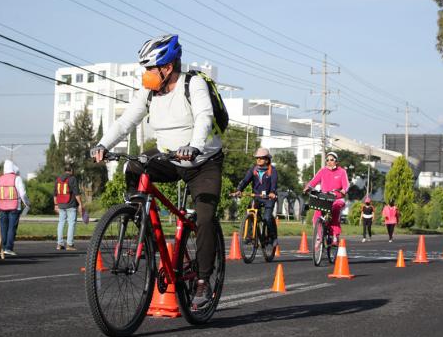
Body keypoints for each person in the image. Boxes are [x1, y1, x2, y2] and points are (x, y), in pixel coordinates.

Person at [91, 34, 223, 309]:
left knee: (205, 217)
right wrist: (103, 144)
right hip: (168, 157)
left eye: (152, 68)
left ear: (168, 66)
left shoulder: (193, 83)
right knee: (134, 166)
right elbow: (127, 120)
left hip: (203, 162)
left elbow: (204, 117)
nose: (147, 74)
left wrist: (194, 146)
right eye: (145, 68)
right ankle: (142, 226)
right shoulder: (149, 91)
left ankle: (202, 281)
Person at [233, 148, 278, 247]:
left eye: (261, 158)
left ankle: (272, 237)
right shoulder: (253, 169)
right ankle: (249, 236)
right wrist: (239, 190)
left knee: (267, 217)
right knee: (250, 213)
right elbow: (245, 181)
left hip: (269, 198)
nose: (258, 160)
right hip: (257, 197)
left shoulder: (272, 170)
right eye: (257, 158)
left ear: (267, 159)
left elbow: (274, 184)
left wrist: (272, 192)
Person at [303, 151, 349, 245]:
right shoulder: (322, 171)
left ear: (336, 161)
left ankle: (335, 236)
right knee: (317, 215)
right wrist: (308, 187)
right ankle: (319, 237)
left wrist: (344, 190)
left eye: (332, 160)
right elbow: (314, 181)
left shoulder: (342, 172)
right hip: (324, 198)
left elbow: (346, 184)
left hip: (337, 198)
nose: (329, 161)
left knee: (335, 211)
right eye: (327, 160)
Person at [0, 160, 30, 256]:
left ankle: (3, 248)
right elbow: (22, 193)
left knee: (3, 228)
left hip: (2, 207)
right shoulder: (17, 178)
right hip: (15, 207)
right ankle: (9, 248)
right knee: (12, 228)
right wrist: (27, 203)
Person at [54, 165, 84, 251]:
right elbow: (76, 193)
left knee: (61, 223)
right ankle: (69, 244)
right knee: (71, 224)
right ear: (71, 170)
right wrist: (80, 204)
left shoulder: (58, 179)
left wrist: (55, 205)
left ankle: (59, 244)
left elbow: (55, 194)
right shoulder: (72, 179)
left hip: (60, 205)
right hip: (71, 205)